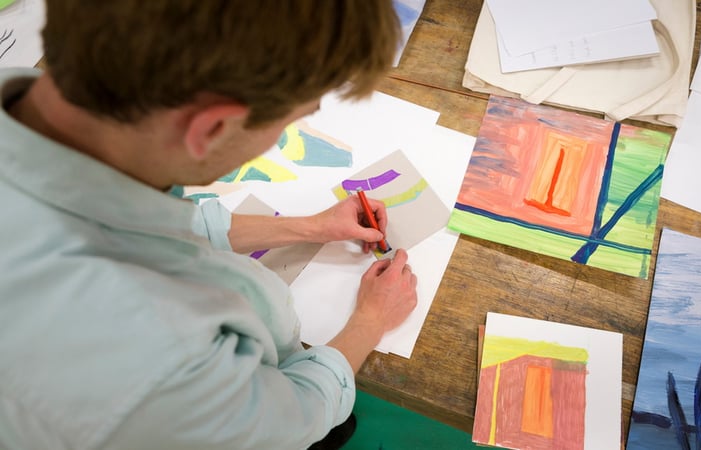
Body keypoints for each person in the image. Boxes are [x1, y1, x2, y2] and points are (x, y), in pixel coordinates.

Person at [0, 1, 418, 449]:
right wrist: (369, 322)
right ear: (213, 127)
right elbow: (294, 417)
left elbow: (149, 219)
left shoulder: (68, 126)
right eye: (291, 121)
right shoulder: (164, 359)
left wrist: (309, 228)